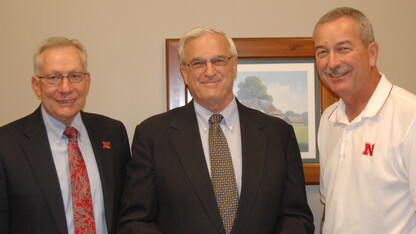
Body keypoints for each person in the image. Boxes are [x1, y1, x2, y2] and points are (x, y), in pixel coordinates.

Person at [118, 26, 314, 233]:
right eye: (198, 63)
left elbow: (296, 216)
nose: (209, 71)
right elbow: (135, 222)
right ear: (184, 73)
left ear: (235, 66)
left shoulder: (278, 135)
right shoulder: (152, 136)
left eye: (219, 60)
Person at [0, 37, 131, 234]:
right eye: (53, 77)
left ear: (87, 82)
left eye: (75, 76)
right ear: (37, 85)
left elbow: (127, 211)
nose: (66, 88)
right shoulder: (7, 144)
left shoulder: (112, 133)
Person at [314, 7, 416, 233]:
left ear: (372, 53)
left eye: (343, 49)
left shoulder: (410, 117)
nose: (332, 63)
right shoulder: (329, 120)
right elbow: (332, 208)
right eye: (322, 52)